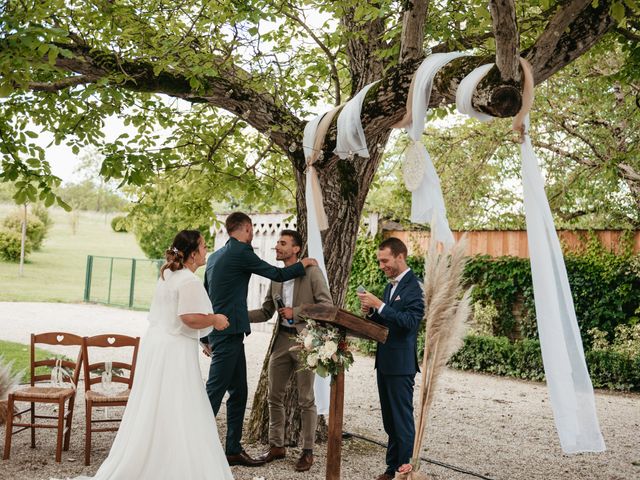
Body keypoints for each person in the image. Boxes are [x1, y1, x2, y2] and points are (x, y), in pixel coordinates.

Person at [72, 230, 233, 479]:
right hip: (174, 351)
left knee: (157, 402)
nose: (206, 251)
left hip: (159, 343)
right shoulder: (188, 280)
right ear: (192, 255)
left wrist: (201, 340)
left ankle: (154, 454)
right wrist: (216, 320)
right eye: (202, 247)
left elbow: (170, 315)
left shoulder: (169, 274)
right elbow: (188, 317)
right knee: (180, 402)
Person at [201, 213, 317, 467]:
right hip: (227, 335)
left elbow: (205, 295)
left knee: (239, 392)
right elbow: (276, 274)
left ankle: (232, 449)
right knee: (213, 392)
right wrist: (304, 263)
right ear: (247, 228)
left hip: (227, 334)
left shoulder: (215, 256)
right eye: (251, 230)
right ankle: (195, 447)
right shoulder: (241, 252)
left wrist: (204, 335)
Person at [248, 230, 333, 472]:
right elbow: (266, 312)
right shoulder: (276, 277)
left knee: (306, 399)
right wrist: (237, 316)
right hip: (282, 341)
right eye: (277, 243)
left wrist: (296, 312)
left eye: (282, 243)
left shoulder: (312, 272)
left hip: (306, 342)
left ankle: (308, 451)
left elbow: (327, 307)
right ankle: (277, 446)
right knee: (274, 396)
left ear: (296, 249)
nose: (277, 246)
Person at [357, 237, 424, 480]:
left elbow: (409, 323)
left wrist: (381, 306)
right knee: (390, 422)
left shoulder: (415, 287)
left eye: (384, 260)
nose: (381, 265)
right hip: (385, 362)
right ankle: (390, 468)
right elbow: (387, 322)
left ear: (399, 256)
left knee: (402, 422)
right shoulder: (390, 286)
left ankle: (403, 472)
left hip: (401, 365)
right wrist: (372, 312)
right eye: (379, 261)